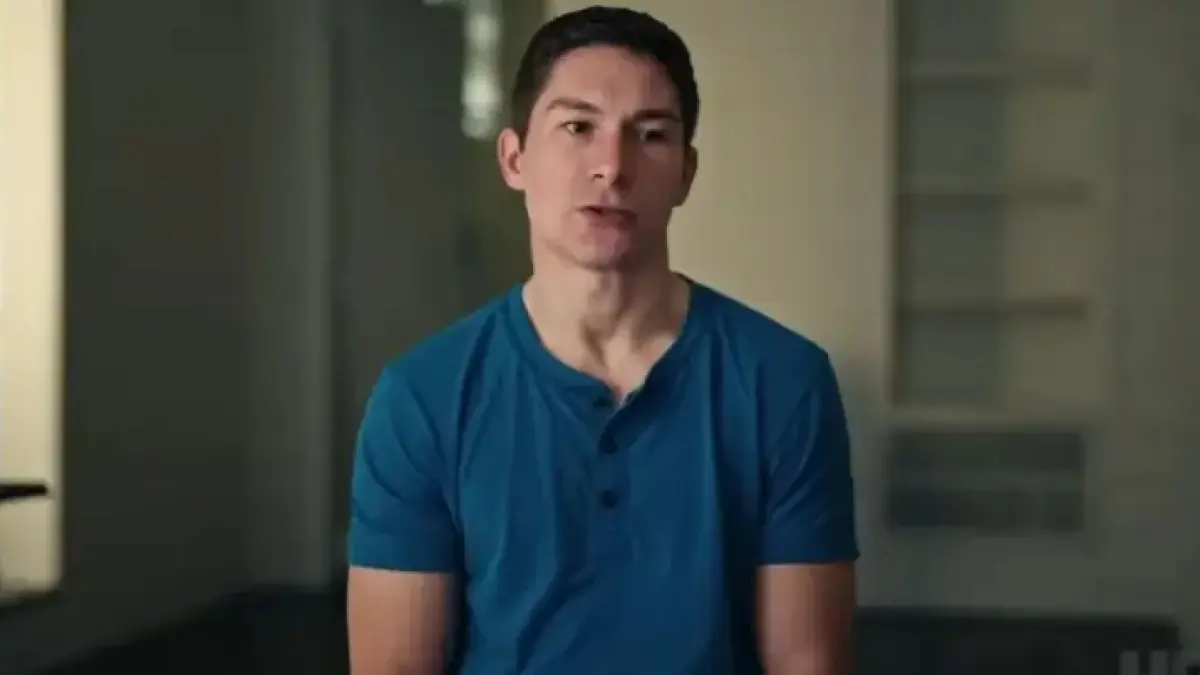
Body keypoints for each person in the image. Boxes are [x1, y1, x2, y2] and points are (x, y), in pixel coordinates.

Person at [345, 6, 858, 674]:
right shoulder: (421, 397)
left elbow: (806, 662)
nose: (612, 167)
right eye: (578, 127)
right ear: (514, 158)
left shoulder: (784, 380)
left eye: (650, 135)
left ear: (686, 172)